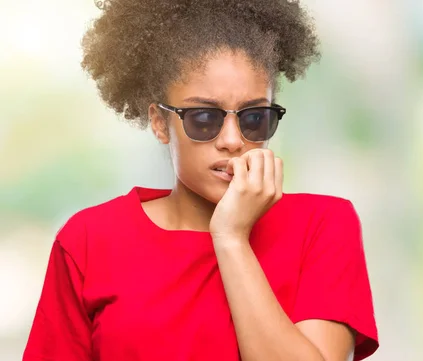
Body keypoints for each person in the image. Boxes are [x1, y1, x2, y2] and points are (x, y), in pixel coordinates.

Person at [23, 0, 379, 360]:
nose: (232, 140)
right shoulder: (90, 240)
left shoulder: (323, 225)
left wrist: (231, 239)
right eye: (204, 118)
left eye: (254, 118)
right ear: (161, 123)